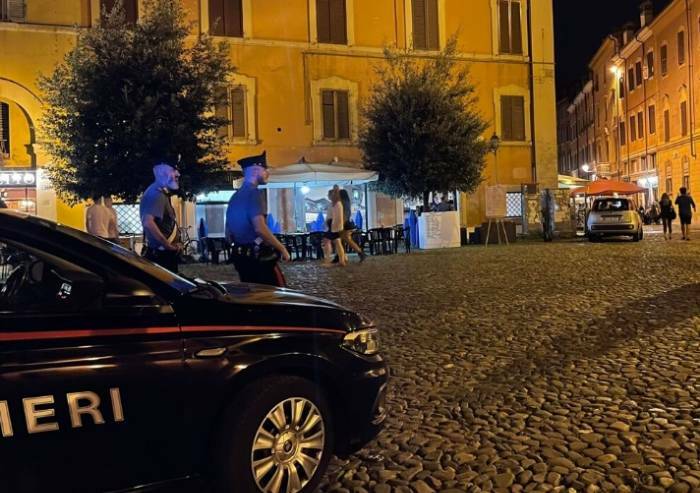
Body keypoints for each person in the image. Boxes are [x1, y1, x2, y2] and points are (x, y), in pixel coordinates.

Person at [225, 151, 290, 286]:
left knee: (251, 293)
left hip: (241, 257)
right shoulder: (254, 194)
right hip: (258, 257)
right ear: (255, 171)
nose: (267, 173)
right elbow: (260, 228)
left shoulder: (235, 196)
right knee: (273, 293)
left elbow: (228, 233)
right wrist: (281, 248)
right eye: (264, 169)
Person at [140, 163, 181, 272]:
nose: (178, 174)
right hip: (161, 255)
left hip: (161, 253)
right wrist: (168, 246)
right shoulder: (157, 194)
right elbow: (148, 222)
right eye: (173, 170)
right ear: (162, 173)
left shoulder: (158, 193)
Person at [338, 188, 366, 262]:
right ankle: (342, 256)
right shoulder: (347, 202)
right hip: (347, 223)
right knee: (344, 240)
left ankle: (359, 253)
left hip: (344, 223)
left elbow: (344, 214)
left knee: (345, 240)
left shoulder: (342, 203)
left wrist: (342, 223)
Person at [322, 187, 347, 267]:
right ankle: (341, 260)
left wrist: (333, 226)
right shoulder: (333, 204)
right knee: (336, 242)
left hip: (334, 226)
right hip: (332, 225)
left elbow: (337, 217)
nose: (328, 196)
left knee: (331, 241)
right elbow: (330, 215)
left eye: (329, 195)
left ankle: (330, 260)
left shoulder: (337, 204)